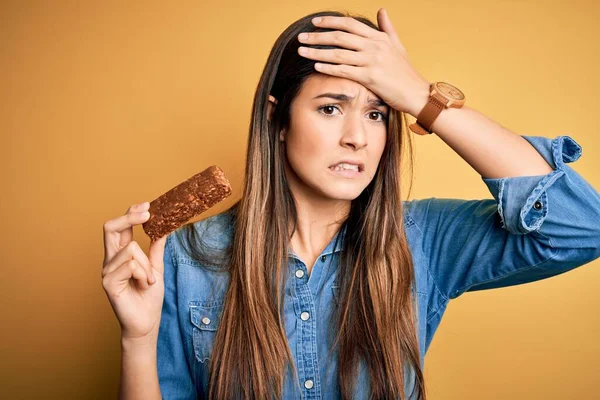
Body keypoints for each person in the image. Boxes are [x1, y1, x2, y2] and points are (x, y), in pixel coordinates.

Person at [102, 8, 600, 400]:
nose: (357, 138)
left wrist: (420, 98)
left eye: (379, 113)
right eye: (330, 108)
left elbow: (582, 226)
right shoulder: (187, 255)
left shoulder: (422, 240)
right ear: (278, 121)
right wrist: (138, 339)